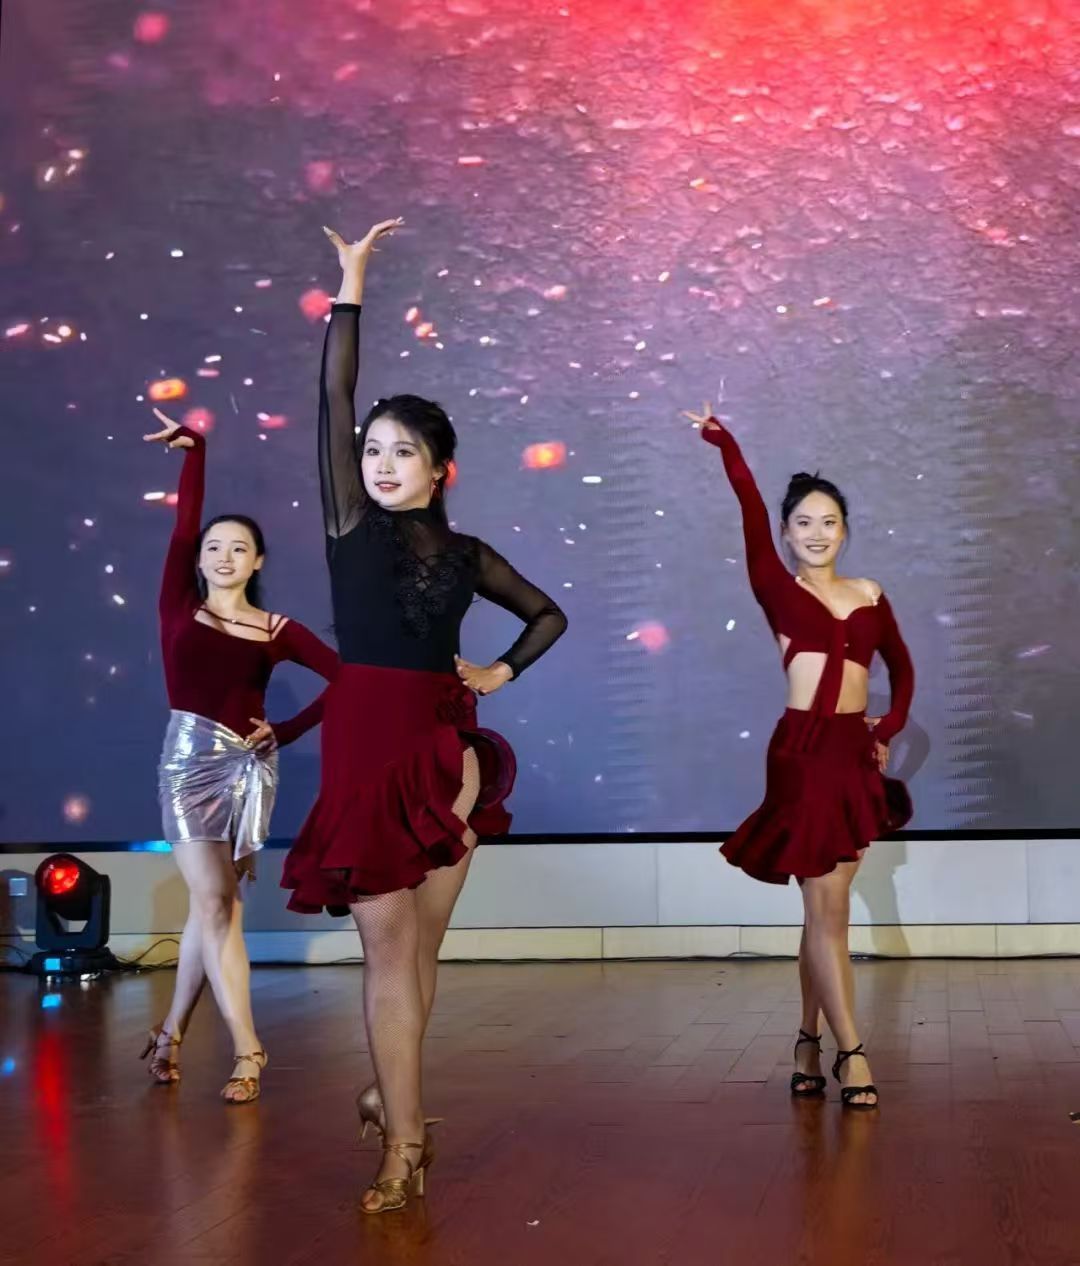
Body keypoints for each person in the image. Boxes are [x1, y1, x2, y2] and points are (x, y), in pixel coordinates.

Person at [282, 219, 567, 1210]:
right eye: (372, 450)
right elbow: (333, 395)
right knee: (388, 950)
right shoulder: (347, 523)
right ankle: (402, 1142)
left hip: (446, 758)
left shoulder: (467, 554)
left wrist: (498, 674)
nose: (378, 462)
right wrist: (351, 281)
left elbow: (548, 615)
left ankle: (393, 1098)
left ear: (440, 467)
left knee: (419, 952)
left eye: (401, 452)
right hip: (365, 753)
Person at [686, 403, 914, 1110]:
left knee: (824, 915)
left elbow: (903, 669)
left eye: (830, 522)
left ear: (846, 530)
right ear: (786, 534)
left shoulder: (870, 593)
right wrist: (725, 441)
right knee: (830, 910)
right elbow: (748, 505)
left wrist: (887, 726)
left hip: (852, 757)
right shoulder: (776, 587)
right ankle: (854, 1052)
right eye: (804, 522)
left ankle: (807, 1042)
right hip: (802, 758)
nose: (817, 533)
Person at [142, 409, 338, 1104]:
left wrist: (286, 730)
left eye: (239, 548)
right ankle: (250, 1049)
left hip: (247, 772)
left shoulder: (278, 629)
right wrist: (196, 451)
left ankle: (169, 1035)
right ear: (199, 559)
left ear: (257, 562)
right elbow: (181, 523)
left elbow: (347, 681)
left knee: (214, 905)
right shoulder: (178, 605)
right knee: (215, 901)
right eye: (214, 547)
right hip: (186, 767)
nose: (223, 556)